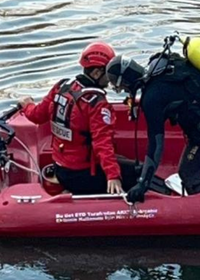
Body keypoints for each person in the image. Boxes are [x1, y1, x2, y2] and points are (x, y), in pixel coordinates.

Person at [106, 45, 200, 203]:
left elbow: (156, 146)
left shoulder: (152, 98)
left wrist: (142, 184)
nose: (124, 90)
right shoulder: (159, 65)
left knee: (188, 174)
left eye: (121, 87)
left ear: (126, 81)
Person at [18, 41, 123, 195]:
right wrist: (113, 175)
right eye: (108, 73)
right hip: (82, 175)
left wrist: (27, 105)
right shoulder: (96, 104)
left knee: (120, 161)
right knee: (137, 173)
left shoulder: (61, 87)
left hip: (60, 169)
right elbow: (102, 142)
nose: (110, 79)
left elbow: (37, 115)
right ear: (96, 73)